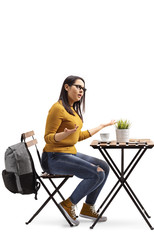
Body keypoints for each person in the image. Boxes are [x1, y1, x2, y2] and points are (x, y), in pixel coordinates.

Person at [41, 75, 116, 226]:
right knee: (97, 172)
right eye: (77, 86)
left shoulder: (73, 111)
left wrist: (101, 126)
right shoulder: (57, 108)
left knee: (105, 166)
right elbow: (48, 138)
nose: (81, 90)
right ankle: (68, 205)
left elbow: (78, 136)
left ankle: (88, 208)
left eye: (83, 88)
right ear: (66, 87)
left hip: (69, 153)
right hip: (53, 157)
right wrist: (64, 134)